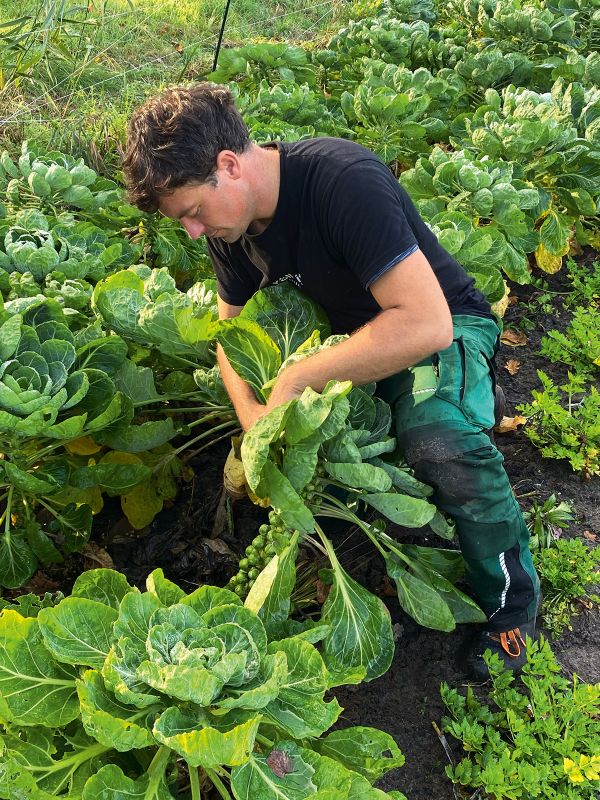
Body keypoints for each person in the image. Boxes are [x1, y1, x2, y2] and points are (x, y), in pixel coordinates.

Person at [123, 82, 540, 679]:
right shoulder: (233, 228)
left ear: (228, 165)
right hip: (352, 348)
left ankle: (511, 606)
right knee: (323, 449)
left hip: (439, 327)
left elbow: (424, 322)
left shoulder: (342, 181)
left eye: (192, 212)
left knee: (435, 435)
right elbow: (230, 339)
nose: (192, 231)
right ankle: (453, 397)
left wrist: (296, 380)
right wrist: (255, 424)